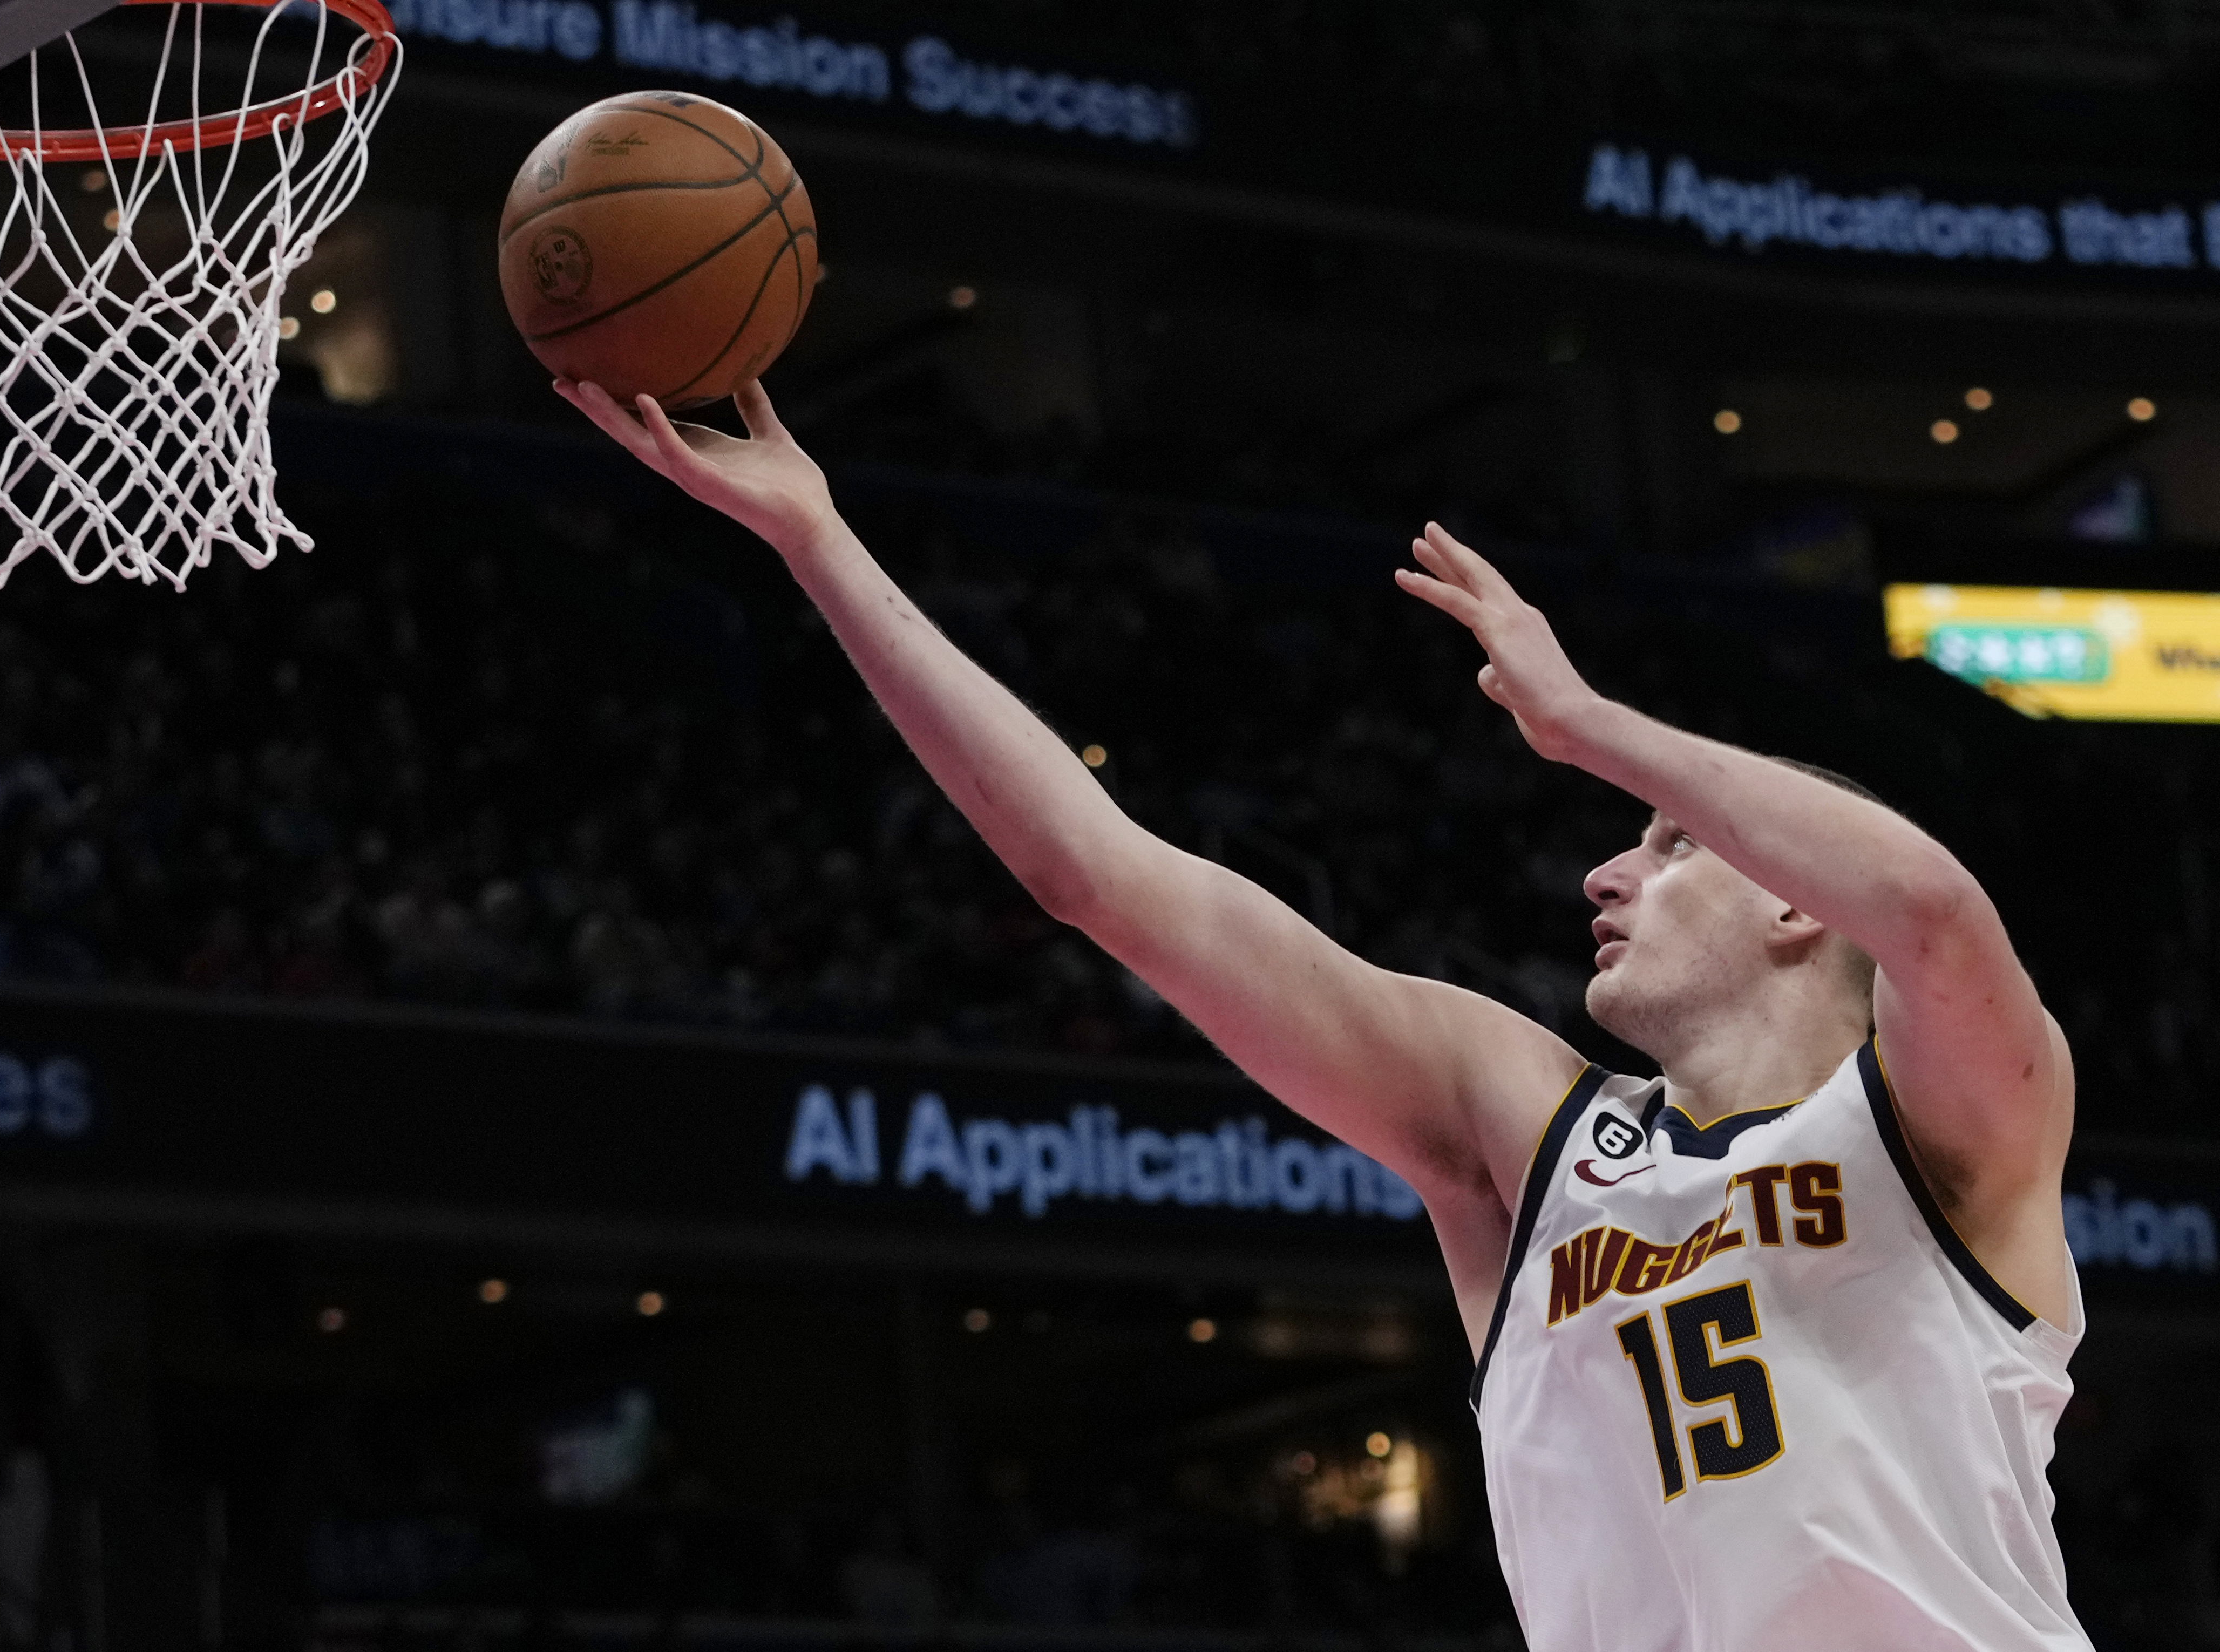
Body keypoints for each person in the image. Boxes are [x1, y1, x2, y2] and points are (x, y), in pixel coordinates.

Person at [559, 379, 2086, 1651]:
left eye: (1672, 845)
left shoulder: (1950, 1126)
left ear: (1793, 899)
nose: (1608, 867)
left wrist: (1593, 729)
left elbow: (1939, 916)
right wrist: (818, 541)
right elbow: (1100, 878)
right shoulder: (1526, 1130)